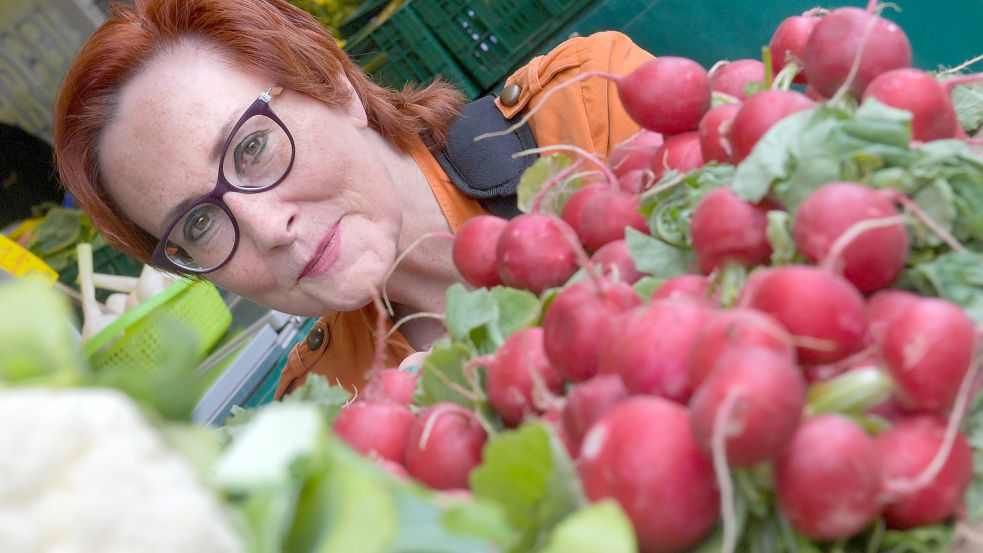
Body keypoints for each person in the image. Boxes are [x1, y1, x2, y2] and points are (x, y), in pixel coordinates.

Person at [53, 0, 654, 398]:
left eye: (252, 147)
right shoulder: (331, 404)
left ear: (336, 87)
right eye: (200, 222)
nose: (267, 228)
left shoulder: (593, 115)